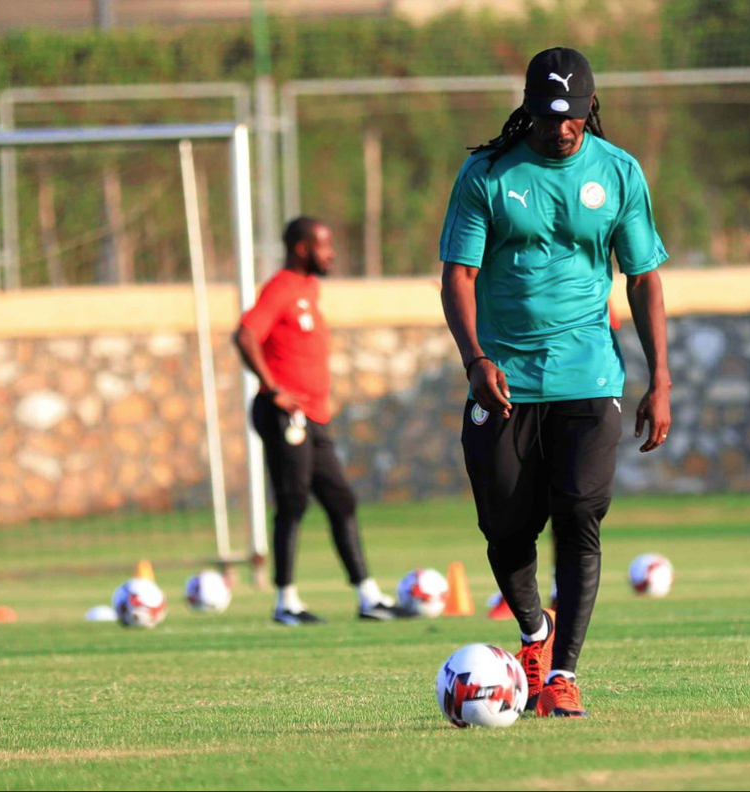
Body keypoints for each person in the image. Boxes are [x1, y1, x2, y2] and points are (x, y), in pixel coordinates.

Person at [439, 47, 672, 717]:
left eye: (570, 116)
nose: (559, 128)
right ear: (528, 108)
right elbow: (459, 276)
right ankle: (533, 632)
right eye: (546, 116)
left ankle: (562, 674)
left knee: (578, 516)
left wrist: (660, 378)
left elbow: (643, 279)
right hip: (504, 382)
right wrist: (475, 359)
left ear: (590, 108)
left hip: (588, 375)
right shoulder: (487, 174)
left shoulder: (618, 172)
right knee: (505, 530)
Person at [234, 216, 397, 625]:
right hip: (284, 414)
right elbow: (245, 335)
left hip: (313, 416)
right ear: (303, 248)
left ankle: (368, 597)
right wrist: (274, 389)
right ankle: (285, 602)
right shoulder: (281, 286)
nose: (332, 254)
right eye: (325, 246)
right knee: (293, 501)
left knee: (341, 500)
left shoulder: (309, 288)